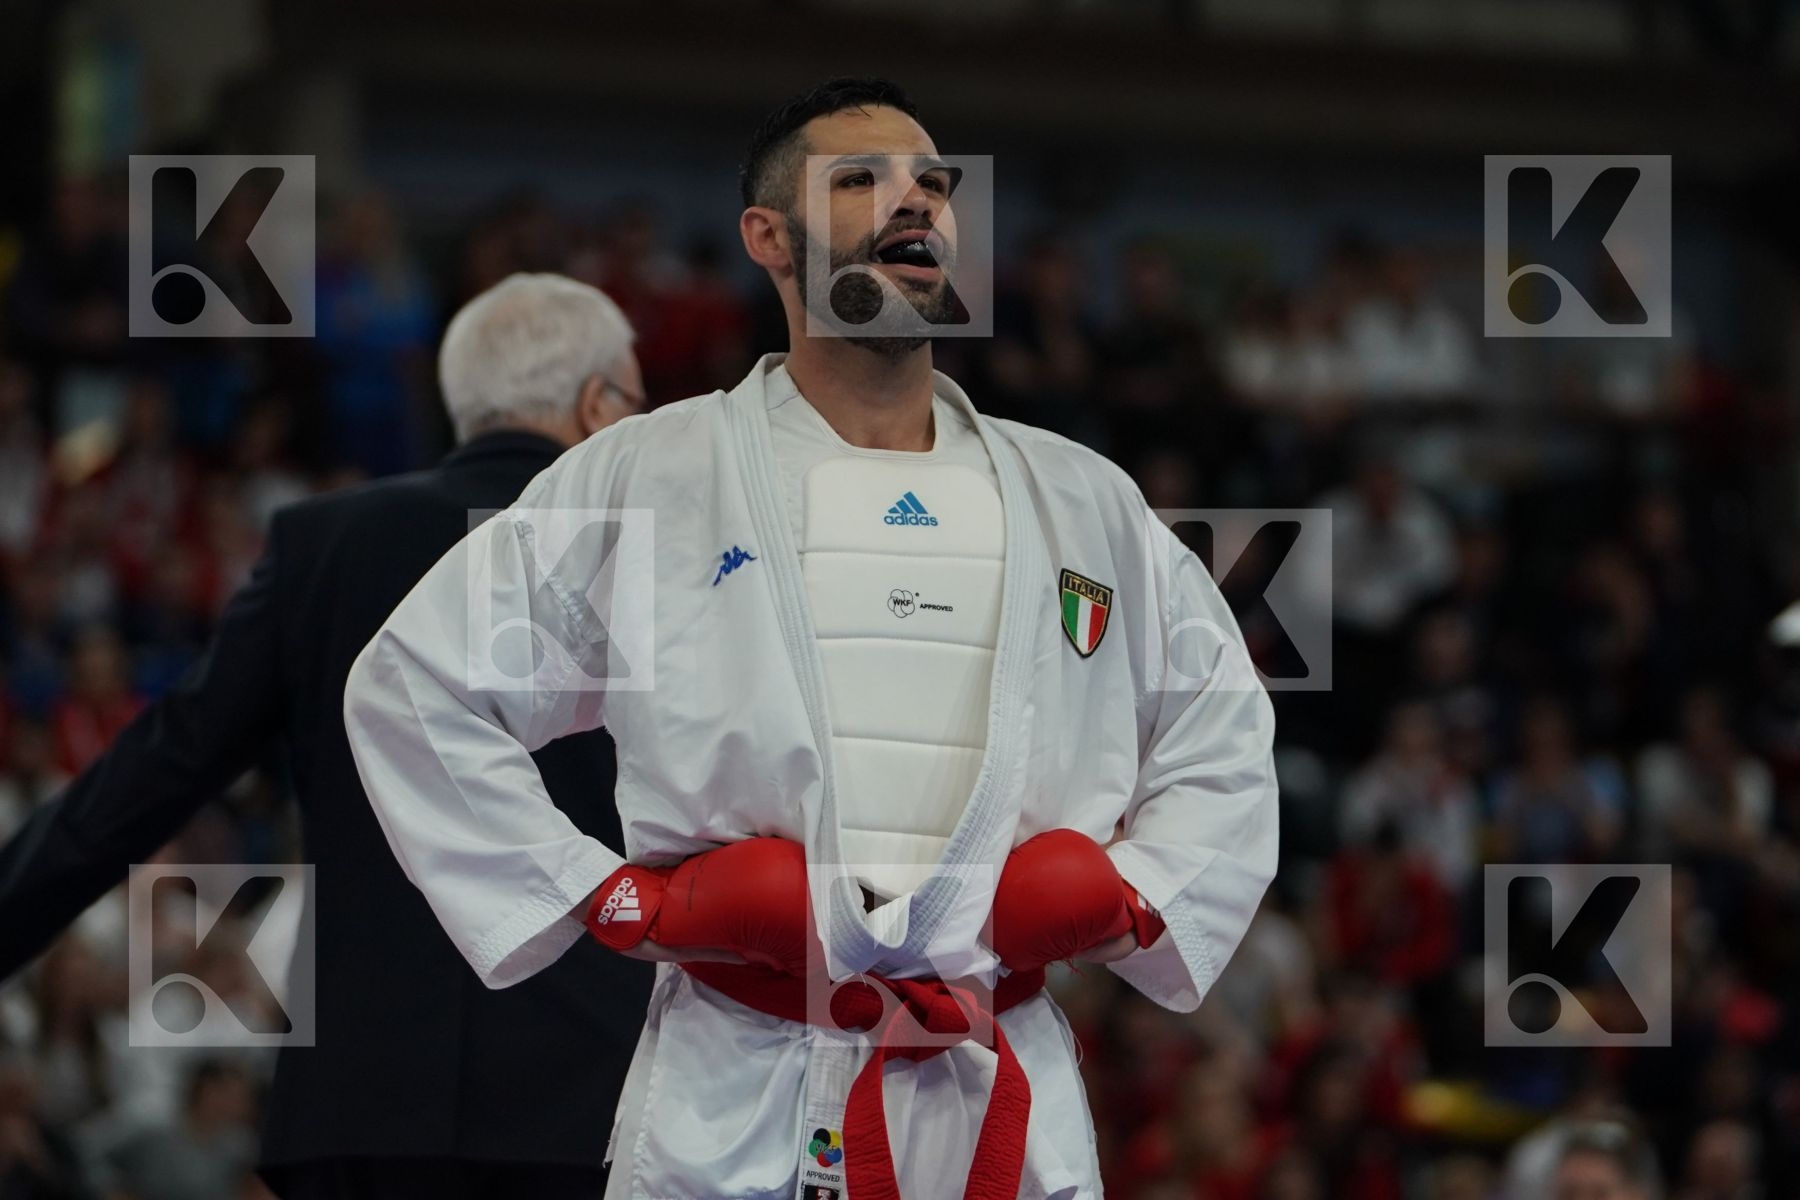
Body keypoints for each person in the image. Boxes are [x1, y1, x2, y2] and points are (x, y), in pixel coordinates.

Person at [344, 78, 1278, 1200]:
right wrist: (611, 900)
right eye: (862, 181)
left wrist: (1136, 895)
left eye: (935, 183)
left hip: (995, 1077)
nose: (917, 202)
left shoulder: (1079, 497)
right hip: (738, 1085)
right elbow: (416, 683)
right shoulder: (655, 474)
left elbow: (1222, 725)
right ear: (769, 237)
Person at [0, 273, 654, 1199]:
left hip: (363, 1099)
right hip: (598, 1091)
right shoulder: (649, 555)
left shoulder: (326, 545)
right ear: (596, 406)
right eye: (638, 403)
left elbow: (146, 779)